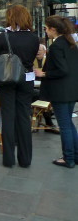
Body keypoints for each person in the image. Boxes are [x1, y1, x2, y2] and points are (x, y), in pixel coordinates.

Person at [0, 5, 39, 168]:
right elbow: (32, 57)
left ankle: (8, 159)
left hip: (7, 79)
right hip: (27, 78)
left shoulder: (3, 37)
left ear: (10, 17)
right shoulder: (34, 38)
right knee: (24, 117)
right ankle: (25, 159)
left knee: (8, 116)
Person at [35, 15, 78, 168]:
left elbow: (62, 70)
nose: (45, 32)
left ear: (53, 29)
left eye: (46, 28)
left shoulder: (57, 45)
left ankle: (68, 158)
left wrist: (43, 74)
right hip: (72, 89)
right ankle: (74, 156)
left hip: (61, 90)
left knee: (65, 125)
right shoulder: (70, 43)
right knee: (69, 124)